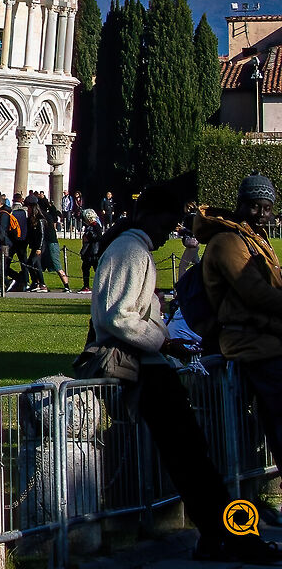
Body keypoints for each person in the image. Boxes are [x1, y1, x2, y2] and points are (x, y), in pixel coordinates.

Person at [86, 174, 279, 564]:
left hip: (150, 364)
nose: (165, 235)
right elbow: (118, 318)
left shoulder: (132, 248)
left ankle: (219, 538)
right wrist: (161, 336)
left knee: (193, 465)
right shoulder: (131, 250)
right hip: (144, 366)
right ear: (146, 216)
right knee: (195, 464)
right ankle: (233, 538)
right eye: (163, 225)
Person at [196, 174, 282, 461]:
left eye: (267, 208)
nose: (261, 215)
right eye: (255, 206)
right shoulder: (228, 242)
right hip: (249, 341)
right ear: (241, 204)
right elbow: (255, 293)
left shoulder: (254, 240)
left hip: (264, 337)